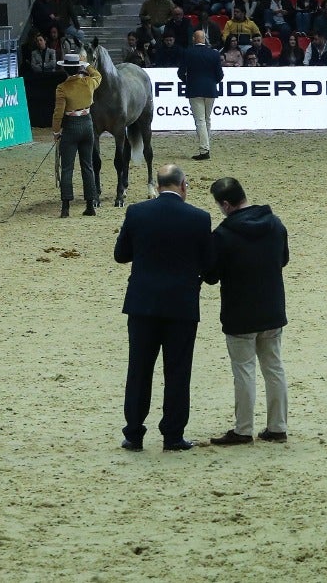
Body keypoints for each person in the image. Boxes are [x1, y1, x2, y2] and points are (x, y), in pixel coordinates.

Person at [114, 164, 213, 452]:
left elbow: (121, 255)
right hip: (181, 306)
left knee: (139, 370)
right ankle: (172, 434)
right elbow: (209, 268)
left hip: (142, 304)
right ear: (184, 184)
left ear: (158, 186)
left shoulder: (136, 212)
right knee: (178, 371)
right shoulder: (199, 218)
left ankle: (133, 433)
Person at [203, 177, 290, 446]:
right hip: (271, 306)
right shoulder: (274, 223)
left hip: (240, 311)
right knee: (273, 367)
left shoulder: (223, 235)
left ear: (226, 204)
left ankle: (243, 429)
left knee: (244, 371)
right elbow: (283, 259)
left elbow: (211, 276)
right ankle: (277, 426)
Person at [51, 50, 102, 218]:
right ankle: (90, 204)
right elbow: (98, 75)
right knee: (87, 166)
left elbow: (58, 113)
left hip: (71, 126)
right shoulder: (89, 82)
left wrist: (56, 131)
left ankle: (65, 207)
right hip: (87, 123)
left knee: (67, 167)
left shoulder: (62, 88)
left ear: (65, 69)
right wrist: (87, 64)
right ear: (79, 68)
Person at [177, 30, 223, 161]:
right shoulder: (214, 54)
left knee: (200, 121)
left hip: (194, 89)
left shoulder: (188, 52)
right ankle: (206, 146)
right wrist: (212, 82)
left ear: (194, 39)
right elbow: (220, 75)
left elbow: (181, 73)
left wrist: (188, 82)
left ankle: (204, 149)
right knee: (207, 119)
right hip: (210, 89)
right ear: (204, 39)